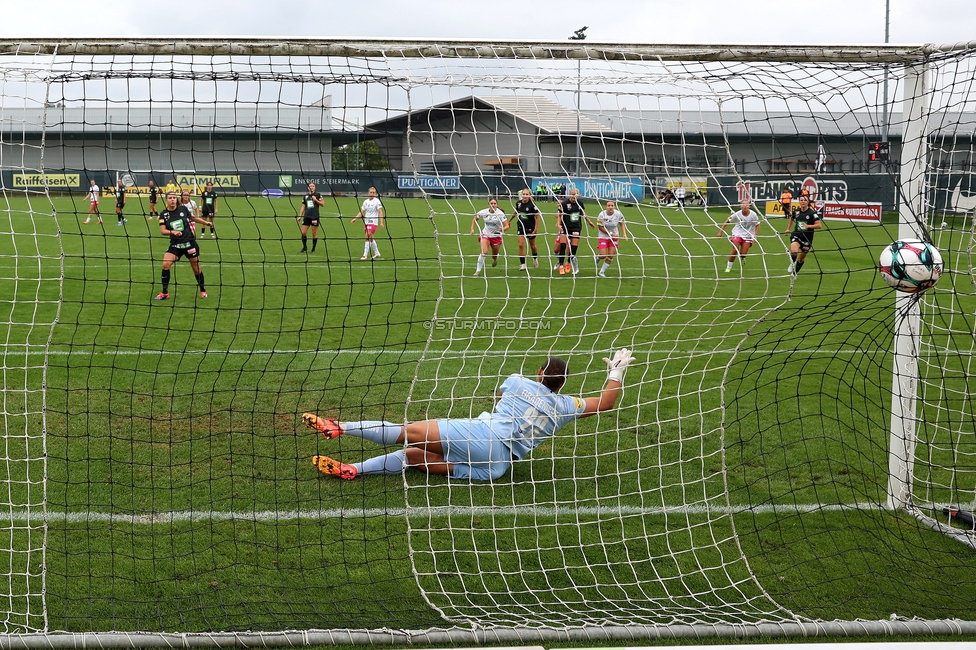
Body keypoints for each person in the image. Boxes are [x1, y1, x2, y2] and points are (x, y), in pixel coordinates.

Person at [305, 348, 634, 481]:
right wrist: (617, 372)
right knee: (413, 457)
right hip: (497, 467)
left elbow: (503, 394)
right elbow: (603, 404)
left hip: (483, 438)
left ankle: (340, 427)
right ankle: (351, 470)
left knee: (408, 431)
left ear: (539, 372)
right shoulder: (565, 407)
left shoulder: (519, 382)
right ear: (562, 385)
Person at [154, 191, 213, 300]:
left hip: (189, 244)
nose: (172, 200)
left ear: (177, 199)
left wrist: (205, 223)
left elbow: (192, 218)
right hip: (175, 245)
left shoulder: (183, 209)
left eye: (174, 198)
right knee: (166, 264)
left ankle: (203, 290)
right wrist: (173, 232)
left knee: (196, 268)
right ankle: (165, 293)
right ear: (166, 200)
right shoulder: (164, 214)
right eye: (170, 198)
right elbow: (163, 230)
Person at [555, 187, 594, 275]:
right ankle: (561, 266)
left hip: (576, 227)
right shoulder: (564, 204)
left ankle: (568, 263)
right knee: (563, 246)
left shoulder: (580, 203)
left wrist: (590, 222)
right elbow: (559, 215)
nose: (574, 196)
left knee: (573, 248)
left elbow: (583, 213)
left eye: (576, 194)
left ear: (578, 195)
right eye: (572, 194)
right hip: (565, 227)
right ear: (569, 195)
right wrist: (558, 224)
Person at [717, 199, 761, 272]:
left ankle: (743, 257)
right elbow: (727, 220)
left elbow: (758, 225)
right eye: (743, 205)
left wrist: (755, 235)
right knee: (735, 250)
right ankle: (728, 268)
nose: (745, 206)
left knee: (743, 254)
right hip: (737, 233)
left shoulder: (753, 215)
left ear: (749, 206)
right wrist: (720, 231)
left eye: (746, 205)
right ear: (740, 206)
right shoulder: (736, 214)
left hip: (748, 235)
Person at [470, 198, 510, 276]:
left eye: (495, 203)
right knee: (484, 252)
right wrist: (472, 228)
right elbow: (475, 218)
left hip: (496, 236)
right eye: (491, 203)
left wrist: (503, 229)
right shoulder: (484, 212)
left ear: (497, 205)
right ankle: (477, 271)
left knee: (494, 255)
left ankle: (496, 257)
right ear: (489, 204)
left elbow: (507, 225)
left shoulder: (500, 214)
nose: (493, 205)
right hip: (485, 234)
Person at [784, 194, 822, 275]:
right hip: (796, 235)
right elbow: (791, 218)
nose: (803, 202)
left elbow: (819, 225)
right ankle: (792, 263)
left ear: (808, 202)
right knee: (794, 252)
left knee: (801, 259)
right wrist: (788, 229)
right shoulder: (796, 211)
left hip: (807, 239)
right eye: (801, 200)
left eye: (805, 200)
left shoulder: (812, 213)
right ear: (799, 202)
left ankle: (795, 272)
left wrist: (808, 226)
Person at [595, 200, 629, 277]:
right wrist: (611, 234)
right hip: (603, 236)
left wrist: (624, 234)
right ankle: (598, 257)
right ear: (606, 207)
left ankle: (601, 272)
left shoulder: (618, 214)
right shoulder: (601, 214)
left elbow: (622, 224)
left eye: (612, 206)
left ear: (614, 206)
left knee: (611, 255)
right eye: (609, 206)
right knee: (603, 255)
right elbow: (600, 227)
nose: (610, 207)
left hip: (614, 236)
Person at [350, 186, 385, 259]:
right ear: (368, 193)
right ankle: (377, 253)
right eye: (371, 192)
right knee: (371, 238)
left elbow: (380, 212)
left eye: (373, 192)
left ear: (375, 194)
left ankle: (365, 255)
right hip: (367, 222)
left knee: (367, 236)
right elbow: (362, 212)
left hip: (373, 222)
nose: (372, 194)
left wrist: (381, 222)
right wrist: (355, 219)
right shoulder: (365, 202)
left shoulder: (377, 201)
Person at [513, 188, 541, 270]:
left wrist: (535, 229)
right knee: (521, 245)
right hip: (521, 226)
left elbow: (537, 217)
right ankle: (523, 264)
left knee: (532, 246)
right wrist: (509, 220)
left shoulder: (532, 205)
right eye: (523, 194)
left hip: (530, 227)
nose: (525, 196)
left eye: (526, 194)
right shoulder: (518, 203)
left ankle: (535, 258)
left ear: (529, 195)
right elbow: (516, 211)